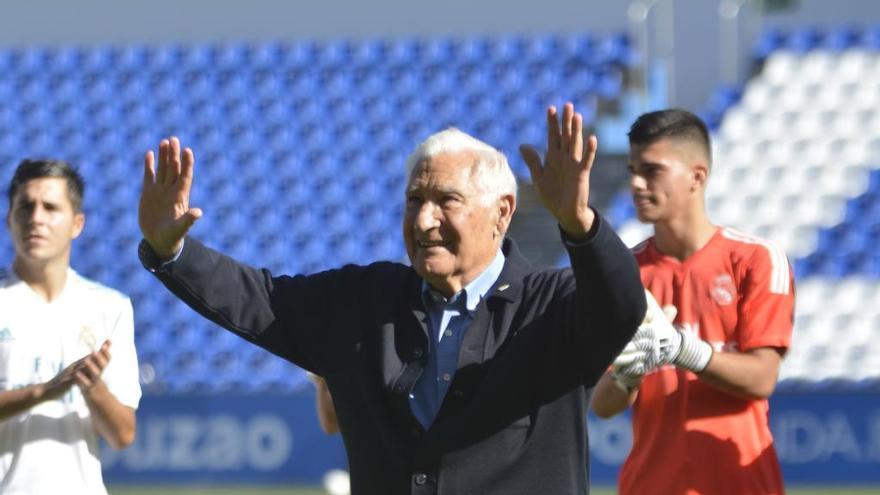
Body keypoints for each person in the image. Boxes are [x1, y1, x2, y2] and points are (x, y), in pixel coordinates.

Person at [137, 103, 646, 494]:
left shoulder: (552, 305)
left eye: (447, 200)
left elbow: (621, 306)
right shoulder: (364, 303)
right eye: (414, 201)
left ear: (502, 212)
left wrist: (581, 227)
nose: (425, 221)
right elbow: (259, 299)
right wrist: (171, 250)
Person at [590, 109, 795, 495]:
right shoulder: (624, 274)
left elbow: (762, 378)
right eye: (633, 169)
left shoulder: (756, 259)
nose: (635, 183)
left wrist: (685, 350)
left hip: (742, 486)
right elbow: (601, 405)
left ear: (697, 177)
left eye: (651, 170)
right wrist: (626, 375)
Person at [0, 159, 142, 495]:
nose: (36, 218)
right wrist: (44, 391)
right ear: (9, 220)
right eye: (25, 207)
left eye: (50, 207)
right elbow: (48, 390)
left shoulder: (110, 307)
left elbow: (122, 435)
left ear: (77, 223)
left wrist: (93, 388)